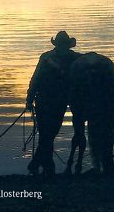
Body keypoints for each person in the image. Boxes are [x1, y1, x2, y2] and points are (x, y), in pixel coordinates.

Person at [26, 31, 80, 176]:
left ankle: (39, 164)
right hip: (49, 100)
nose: (63, 48)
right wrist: (30, 97)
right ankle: (46, 166)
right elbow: (35, 78)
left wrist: (30, 97)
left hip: (52, 101)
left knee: (47, 134)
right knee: (47, 134)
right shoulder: (72, 58)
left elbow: (35, 78)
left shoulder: (50, 57)